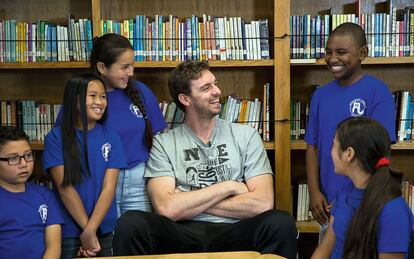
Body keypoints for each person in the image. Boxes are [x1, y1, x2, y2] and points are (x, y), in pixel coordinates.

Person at [113, 60, 297, 258]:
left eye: (215, 83)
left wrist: (186, 201)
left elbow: (262, 203)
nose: (217, 91)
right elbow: (166, 208)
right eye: (206, 88)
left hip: (236, 229)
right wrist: (229, 187)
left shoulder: (246, 135)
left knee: (281, 222)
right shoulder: (164, 143)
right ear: (185, 99)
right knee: (130, 223)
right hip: (182, 232)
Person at [305, 22, 396, 225]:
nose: (332, 58)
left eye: (342, 52)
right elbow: (312, 146)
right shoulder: (320, 95)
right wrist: (314, 192)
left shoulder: (378, 93)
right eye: (328, 52)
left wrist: (368, 197)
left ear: (362, 53)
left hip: (364, 204)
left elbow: (381, 152)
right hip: (328, 205)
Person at [42, 73, 127, 258]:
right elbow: (66, 189)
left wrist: (91, 230)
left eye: (103, 96)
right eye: (93, 95)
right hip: (69, 231)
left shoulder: (111, 136)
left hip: (103, 229)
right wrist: (86, 230)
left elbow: (109, 187)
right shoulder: (55, 138)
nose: (100, 101)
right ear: (75, 100)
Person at [311, 116, 413, 258]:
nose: (331, 153)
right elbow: (325, 247)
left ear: (349, 154)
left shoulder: (393, 212)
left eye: (334, 145)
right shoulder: (345, 193)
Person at [90, 33, 167, 215]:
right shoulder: (83, 97)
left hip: (139, 181)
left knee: (141, 237)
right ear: (102, 67)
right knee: (109, 240)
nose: (131, 72)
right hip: (100, 182)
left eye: (132, 65)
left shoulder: (141, 91)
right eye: (124, 67)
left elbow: (159, 138)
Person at [0, 126, 63, 259]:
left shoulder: (45, 195)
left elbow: (54, 245)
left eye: (28, 155)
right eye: (13, 158)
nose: (24, 164)